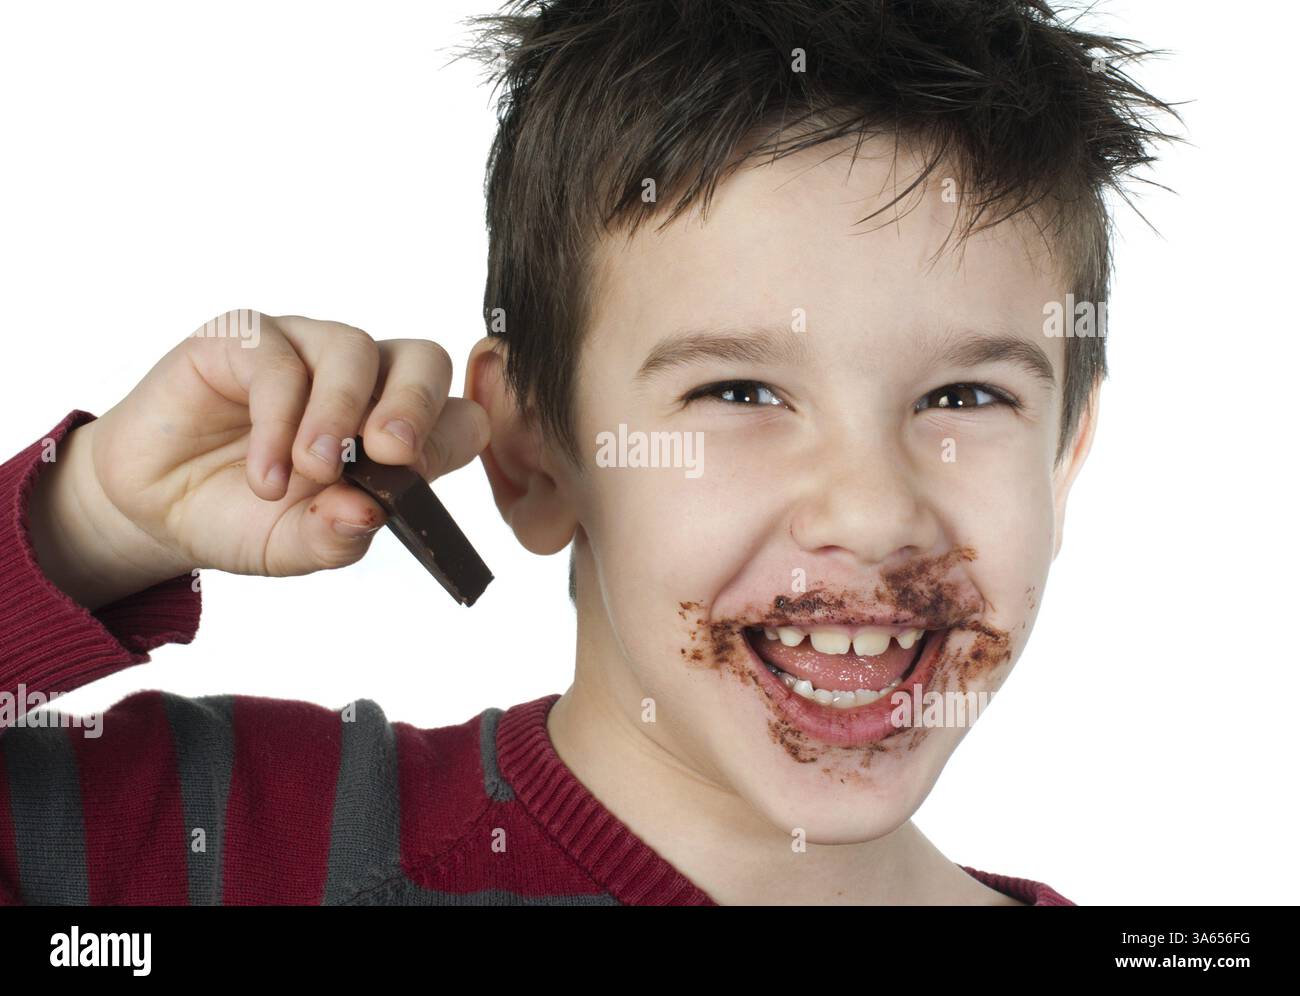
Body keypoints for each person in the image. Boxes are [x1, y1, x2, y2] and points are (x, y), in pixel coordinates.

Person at [0, 0, 1182, 905]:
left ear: (1065, 452)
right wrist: (89, 525)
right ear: (533, 455)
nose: (874, 515)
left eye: (964, 395)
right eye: (739, 389)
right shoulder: (247, 844)